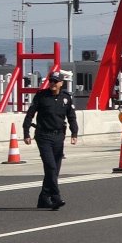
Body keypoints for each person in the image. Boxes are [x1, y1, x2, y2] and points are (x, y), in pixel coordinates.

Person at [23, 70, 79, 210]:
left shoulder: (66, 98)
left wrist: (74, 133)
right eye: (51, 81)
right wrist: (26, 133)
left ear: (61, 83)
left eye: (55, 81)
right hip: (43, 136)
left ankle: (43, 198)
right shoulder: (41, 96)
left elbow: (71, 117)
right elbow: (30, 115)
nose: (53, 83)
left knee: (54, 170)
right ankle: (56, 197)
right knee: (51, 167)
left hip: (58, 136)